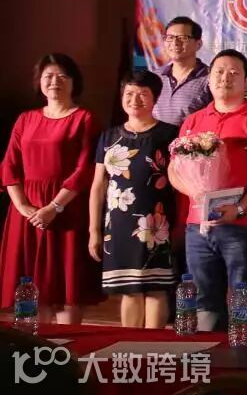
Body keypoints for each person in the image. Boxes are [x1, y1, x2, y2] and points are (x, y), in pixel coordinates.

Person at [176, 50, 247, 331]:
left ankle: (244, 351)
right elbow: (174, 169)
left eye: (234, 73)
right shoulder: (193, 121)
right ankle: (206, 353)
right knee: (203, 297)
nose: (225, 78)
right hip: (197, 224)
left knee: (244, 294)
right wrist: (193, 191)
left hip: (242, 223)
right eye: (219, 72)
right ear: (209, 79)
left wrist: (240, 208)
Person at [1, 53, 100, 324]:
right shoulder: (25, 119)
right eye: (48, 76)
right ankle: (35, 346)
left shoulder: (84, 119)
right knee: (31, 289)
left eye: (62, 76)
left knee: (66, 288)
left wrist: (54, 207)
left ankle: (69, 346)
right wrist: (23, 206)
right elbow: (9, 165)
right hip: (27, 214)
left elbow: (85, 169)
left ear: (74, 82)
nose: (54, 81)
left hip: (66, 210)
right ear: (39, 82)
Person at [87, 71, 179, 328]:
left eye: (143, 94)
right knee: (128, 289)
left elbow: (180, 182)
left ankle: (152, 345)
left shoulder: (169, 134)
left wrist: (180, 225)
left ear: (155, 98)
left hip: (157, 223)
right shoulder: (109, 136)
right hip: (117, 224)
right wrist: (94, 230)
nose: (135, 99)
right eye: (129, 93)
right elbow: (98, 185)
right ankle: (129, 343)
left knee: (156, 288)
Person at [154, 16, 213, 126]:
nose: (175, 43)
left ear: (198, 44)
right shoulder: (155, 76)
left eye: (183, 38)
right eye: (170, 37)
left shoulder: (210, 78)